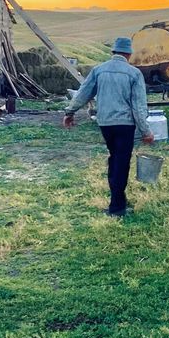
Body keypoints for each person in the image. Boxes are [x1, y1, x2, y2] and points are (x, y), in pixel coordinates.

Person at [62, 37, 154, 217]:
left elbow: (83, 93)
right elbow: (138, 106)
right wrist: (146, 130)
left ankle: (118, 199)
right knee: (121, 162)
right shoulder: (134, 73)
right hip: (125, 124)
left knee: (114, 159)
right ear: (128, 54)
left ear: (113, 52)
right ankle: (117, 207)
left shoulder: (99, 70)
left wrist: (69, 112)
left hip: (105, 124)